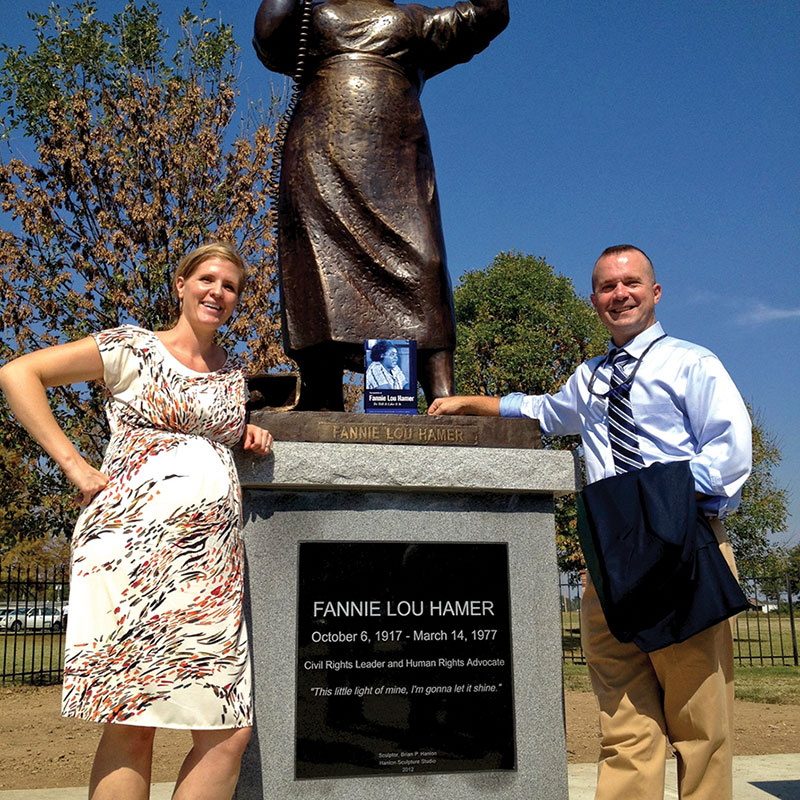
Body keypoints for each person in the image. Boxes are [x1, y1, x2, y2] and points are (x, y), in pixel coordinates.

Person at [429, 244, 752, 800]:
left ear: (655, 292)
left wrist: (650, 506)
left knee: (701, 727)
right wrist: (473, 403)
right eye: (607, 286)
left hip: (681, 548)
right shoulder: (591, 377)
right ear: (595, 300)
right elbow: (543, 411)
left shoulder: (692, 364)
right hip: (610, 563)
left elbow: (730, 455)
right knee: (624, 725)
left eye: (631, 283)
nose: (619, 294)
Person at [0, 242, 274, 800]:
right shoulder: (133, 348)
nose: (217, 292)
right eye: (207, 279)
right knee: (133, 722)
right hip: (131, 555)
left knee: (229, 731)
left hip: (211, 567)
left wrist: (247, 432)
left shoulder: (232, 377)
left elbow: (214, 435)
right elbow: (18, 373)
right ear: (181, 284)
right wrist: (74, 465)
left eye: (230, 286)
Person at [253, 0, 509, 410]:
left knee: (423, 262)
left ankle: (434, 394)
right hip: (322, 150)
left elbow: (488, 15)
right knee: (320, 268)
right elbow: (270, 35)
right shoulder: (316, 13)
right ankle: (323, 393)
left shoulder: (415, 19)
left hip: (394, 156)